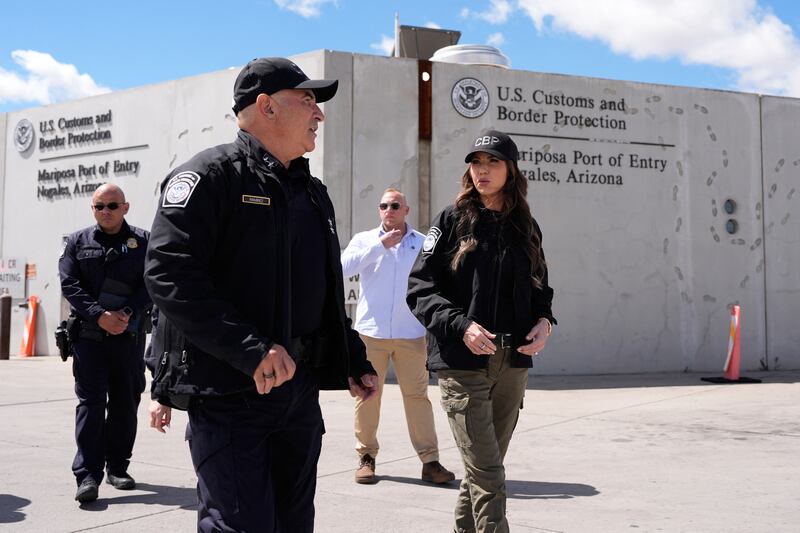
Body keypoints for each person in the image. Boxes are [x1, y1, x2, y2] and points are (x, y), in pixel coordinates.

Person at [144, 57, 378, 533]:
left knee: (294, 523)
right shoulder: (209, 177)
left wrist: (352, 357)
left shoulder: (312, 193)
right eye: (307, 100)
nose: (319, 113)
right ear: (266, 106)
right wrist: (250, 349)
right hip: (230, 393)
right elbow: (168, 273)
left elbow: (324, 290)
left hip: (298, 394)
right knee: (239, 525)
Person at [407, 130, 556, 533]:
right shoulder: (450, 221)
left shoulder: (526, 227)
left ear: (511, 171)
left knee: (482, 471)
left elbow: (541, 288)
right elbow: (420, 290)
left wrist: (544, 322)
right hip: (463, 363)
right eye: (476, 162)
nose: (482, 171)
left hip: (513, 365)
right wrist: (462, 326)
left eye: (492, 162)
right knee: (488, 474)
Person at [341, 188, 455, 485]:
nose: (388, 210)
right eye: (383, 206)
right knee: (368, 397)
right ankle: (366, 457)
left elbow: (438, 279)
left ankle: (430, 461)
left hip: (411, 334)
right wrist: (380, 246)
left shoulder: (422, 242)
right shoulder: (365, 240)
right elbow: (341, 269)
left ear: (406, 210)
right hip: (371, 334)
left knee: (418, 398)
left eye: (394, 206)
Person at [58, 183, 150, 504]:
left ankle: (118, 468)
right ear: (93, 209)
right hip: (89, 338)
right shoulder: (77, 242)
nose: (105, 212)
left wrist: (126, 313)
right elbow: (70, 283)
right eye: (99, 206)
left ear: (125, 207)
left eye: (112, 206)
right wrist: (100, 316)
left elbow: (152, 282)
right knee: (91, 404)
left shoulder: (143, 242)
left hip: (128, 336)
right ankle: (87, 475)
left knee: (125, 403)